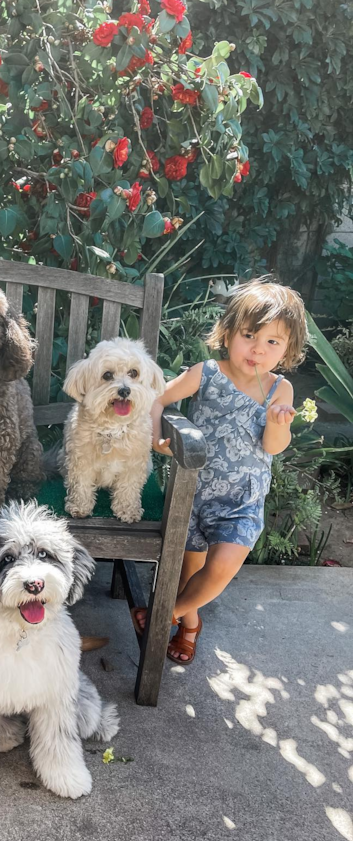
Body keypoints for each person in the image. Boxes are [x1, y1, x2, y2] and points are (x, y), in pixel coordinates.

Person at [132, 278, 309, 663]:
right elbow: (157, 398)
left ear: (287, 350)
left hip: (241, 499)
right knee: (187, 572)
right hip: (192, 493)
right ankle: (189, 626)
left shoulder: (280, 390)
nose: (258, 349)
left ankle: (168, 615)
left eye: (273, 342)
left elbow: (272, 447)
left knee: (222, 567)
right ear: (227, 333)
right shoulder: (207, 373)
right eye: (249, 335)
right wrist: (155, 432)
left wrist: (279, 422)